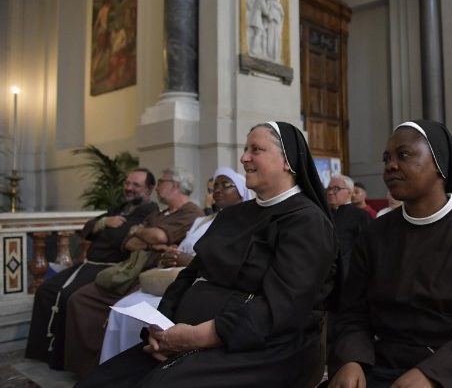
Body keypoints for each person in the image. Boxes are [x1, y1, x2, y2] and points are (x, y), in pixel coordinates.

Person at [77, 122, 338, 387]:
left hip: (262, 349)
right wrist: (161, 327)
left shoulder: (307, 222)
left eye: (255, 149)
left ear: (287, 160)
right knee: (101, 380)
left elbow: (279, 308)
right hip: (188, 336)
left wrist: (194, 337)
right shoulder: (234, 214)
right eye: (245, 149)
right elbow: (190, 275)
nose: (243, 157)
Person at [328, 120, 452, 387]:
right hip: (383, 367)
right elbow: (352, 313)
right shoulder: (375, 234)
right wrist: (351, 359)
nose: (390, 165)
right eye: (386, 158)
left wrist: (435, 375)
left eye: (403, 155)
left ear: (439, 163)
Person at [99, 167, 251, 363]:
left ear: (241, 192)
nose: (217, 190)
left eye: (225, 185)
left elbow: (222, 262)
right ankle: (119, 364)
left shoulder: (242, 223)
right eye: (215, 186)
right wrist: (171, 253)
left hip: (199, 284)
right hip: (174, 278)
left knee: (151, 316)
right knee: (124, 308)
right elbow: (179, 247)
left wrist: (188, 260)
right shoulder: (201, 220)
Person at [63, 167, 204, 378]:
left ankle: (108, 369)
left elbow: (157, 236)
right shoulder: (161, 212)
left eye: (161, 182)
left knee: (119, 309)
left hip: (151, 271)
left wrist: (141, 233)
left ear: (174, 186)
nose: (157, 187)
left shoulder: (191, 212)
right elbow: (128, 243)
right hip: (130, 267)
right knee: (79, 298)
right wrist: (146, 237)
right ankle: (84, 368)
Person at [25, 168, 158, 370]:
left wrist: (105, 231)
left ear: (149, 189)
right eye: (127, 183)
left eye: (136, 185)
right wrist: (105, 222)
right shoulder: (120, 208)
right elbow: (86, 229)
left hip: (111, 269)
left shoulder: (150, 212)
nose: (129, 188)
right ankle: (43, 351)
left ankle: (60, 359)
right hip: (87, 265)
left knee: (70, 296)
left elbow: (120, 239)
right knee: (45, 290)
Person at [327, 174, 373, 282]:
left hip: (348, 275)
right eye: (328, 188)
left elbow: (368, 248)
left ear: (349, 192)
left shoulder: (361, 216)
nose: (330, 192)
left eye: (336, 189)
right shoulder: (323, 214)